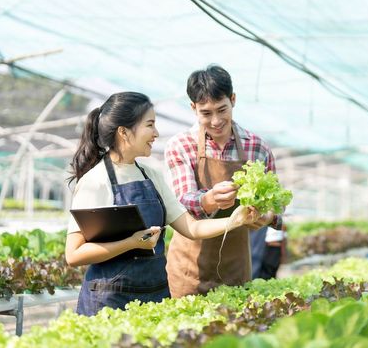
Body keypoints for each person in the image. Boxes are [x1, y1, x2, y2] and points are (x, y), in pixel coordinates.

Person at [65, 92, 260, 316]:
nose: (156, 133)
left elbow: (192, 228)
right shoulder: (96, 181)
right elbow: (74, 254)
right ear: (124, 132)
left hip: (154, 297)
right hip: (110, 301)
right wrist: (131, 243)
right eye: (150, 125)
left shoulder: (151, 175)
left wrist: (238, 219)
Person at [165, 65, 284, 297]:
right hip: (189, 269)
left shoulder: (257, 147)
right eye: (206, 113)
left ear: (233, 100)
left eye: (222, 109)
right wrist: (209, 199)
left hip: (235, 266)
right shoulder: (181, 145)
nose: (216, 121)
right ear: (193, 108)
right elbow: (182, 200)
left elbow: (276, 204)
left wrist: (266, 216)